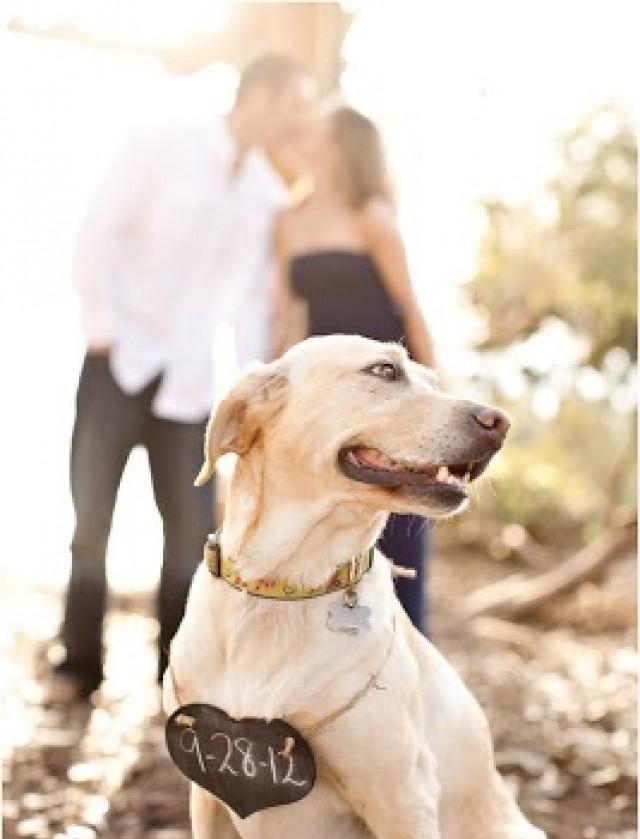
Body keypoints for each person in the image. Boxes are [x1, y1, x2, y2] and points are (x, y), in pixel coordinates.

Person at [46, 55, 315, 705]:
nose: (300, 121)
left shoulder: (266, 196)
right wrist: (102, 327)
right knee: (91, 521)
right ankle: (77, 665)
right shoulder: (164, 141)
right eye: (295, 105)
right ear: (261, 95)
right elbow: (101, 230)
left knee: (190, 535)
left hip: (192, 386)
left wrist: (256, 391)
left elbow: (252, 305)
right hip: (118, 365)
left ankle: (178, 675)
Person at [271, 104, 438, 633]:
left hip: (388, 389)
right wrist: (274, 389)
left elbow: (409, 308)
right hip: (328, 393)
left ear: (340, 147)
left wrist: (435, 398)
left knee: (399, 512)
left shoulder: (372, 217)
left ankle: (405, 642)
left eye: (317, 132)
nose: (304, 136)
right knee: (329, 520)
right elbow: (285, 318)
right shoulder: (288, 221)